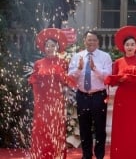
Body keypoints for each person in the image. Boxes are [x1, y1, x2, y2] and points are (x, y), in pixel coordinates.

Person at [29, 28, 74, 159]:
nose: (49, 48)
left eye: (52, 45)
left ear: (57, 47)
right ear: (44, 47)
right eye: (47, 45)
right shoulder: (38, 63)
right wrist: (37, 97)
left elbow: (67, 82)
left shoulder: (63, 62)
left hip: (56, 101)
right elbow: (33, 81)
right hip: (42, 102)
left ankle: (56, 155)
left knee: (56, 128)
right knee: (42, 129)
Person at [68, 30, 112, 159]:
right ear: (84, 41)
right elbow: (70, 77)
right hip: (82, 96)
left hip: (99, 95)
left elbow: (108, 77)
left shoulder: (105, 56)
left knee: (100, 128)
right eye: (89, 39)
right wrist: (79, 69)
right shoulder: (77, 56)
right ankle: (86, 155)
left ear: (98, 42)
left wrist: (95, 69)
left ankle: (99, 155)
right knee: (84, 127)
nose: (91, 42)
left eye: (94, 40)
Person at [104, 26, 136, 159]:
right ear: (123, 47)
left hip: (135, 96)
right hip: (122, 96)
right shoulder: (117, 62)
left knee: (135, 127)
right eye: (127, 44)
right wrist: (119, 79)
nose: (130, 47)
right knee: (121, 127)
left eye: (132, 44)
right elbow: (113, 79)